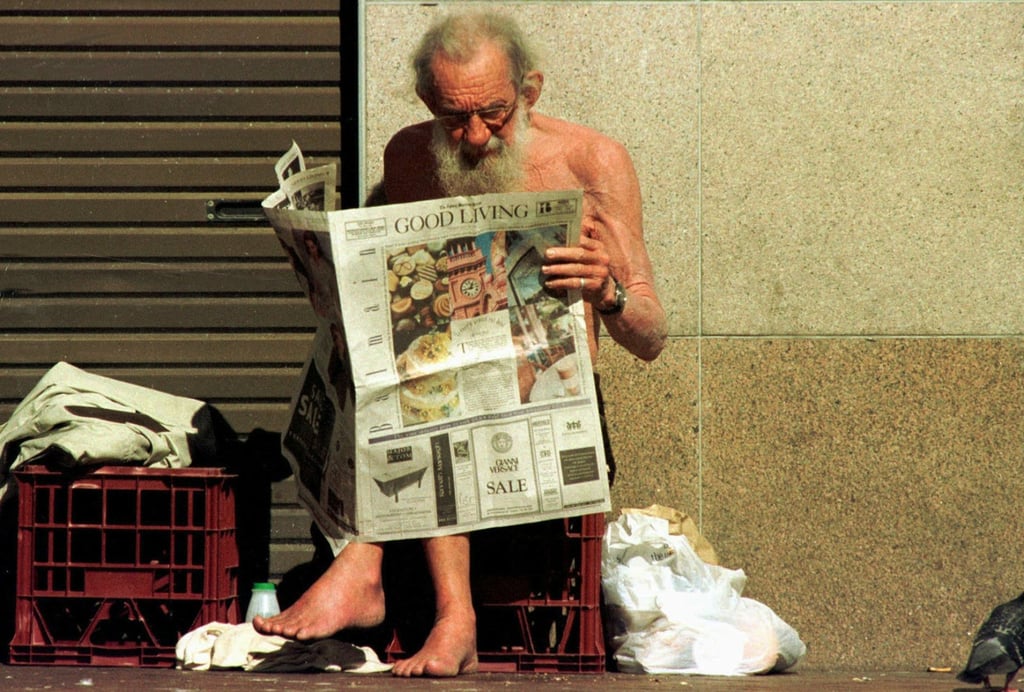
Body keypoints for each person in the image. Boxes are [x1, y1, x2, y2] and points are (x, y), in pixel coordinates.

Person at [253, 10, 667, 677]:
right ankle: (421, 598)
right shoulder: (409, 157)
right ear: (427, 103)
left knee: (431, 388)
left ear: (529, 92)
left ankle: (378, 570)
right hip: (436, 404)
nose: (473, 137)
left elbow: (652, 335)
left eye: (495, 115)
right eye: (453, 117)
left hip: (546, 419)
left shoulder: (592, 161)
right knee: (408, 360)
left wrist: (609, 292)